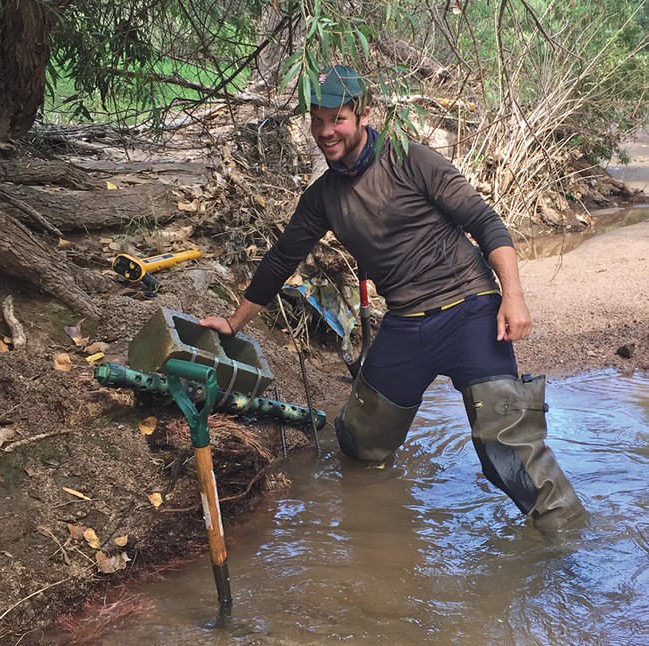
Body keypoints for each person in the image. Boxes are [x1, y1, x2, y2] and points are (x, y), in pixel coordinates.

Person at [200, 65, 586, 532]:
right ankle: (379, 531)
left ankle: (574, 544)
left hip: (471, 311)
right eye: (317, 121)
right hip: (406, 323)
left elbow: (486, 224)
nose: (326, 132)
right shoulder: (323, 196)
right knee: (361, 443)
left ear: (363, 114)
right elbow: (281, 260)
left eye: (337, 119)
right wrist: (233, 323)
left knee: (505, 452)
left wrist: (514, 297)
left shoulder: (410, 159)